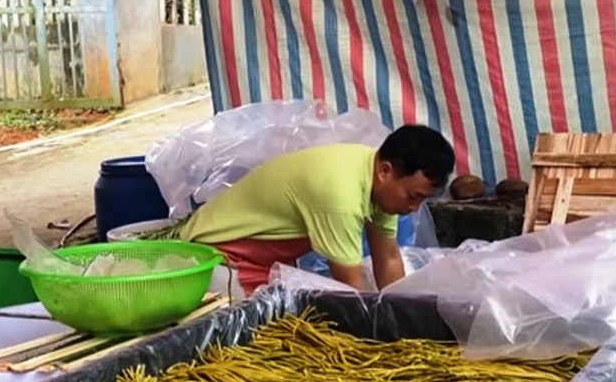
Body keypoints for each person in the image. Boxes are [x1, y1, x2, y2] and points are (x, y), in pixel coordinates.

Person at [178, 124, 455, 296]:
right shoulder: (340, 192)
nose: (413, 208)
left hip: (265, 265)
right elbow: (350, 287)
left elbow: (389, 260)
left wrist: (404, 319)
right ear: (386, 171)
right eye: (413, 196)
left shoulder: (375, 179)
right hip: (216, 258)